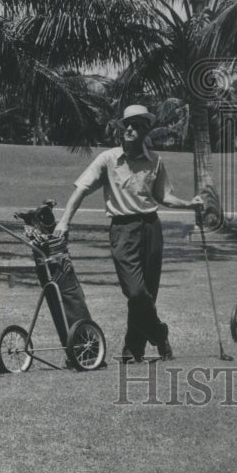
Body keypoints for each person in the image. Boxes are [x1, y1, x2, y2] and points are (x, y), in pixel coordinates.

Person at [54, 104, 203, 362]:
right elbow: (81, 189)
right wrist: (64, 221)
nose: (130, 129)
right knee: (136, 292)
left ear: (146, 130)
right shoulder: (108, 159)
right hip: (122, 229)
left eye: (136, 125)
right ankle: (159, 333)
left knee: (148, 292)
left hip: (151, 226)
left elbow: (162, 195)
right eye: (127, 125)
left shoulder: (155, 160)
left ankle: (132, 349)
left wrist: (188, 204)